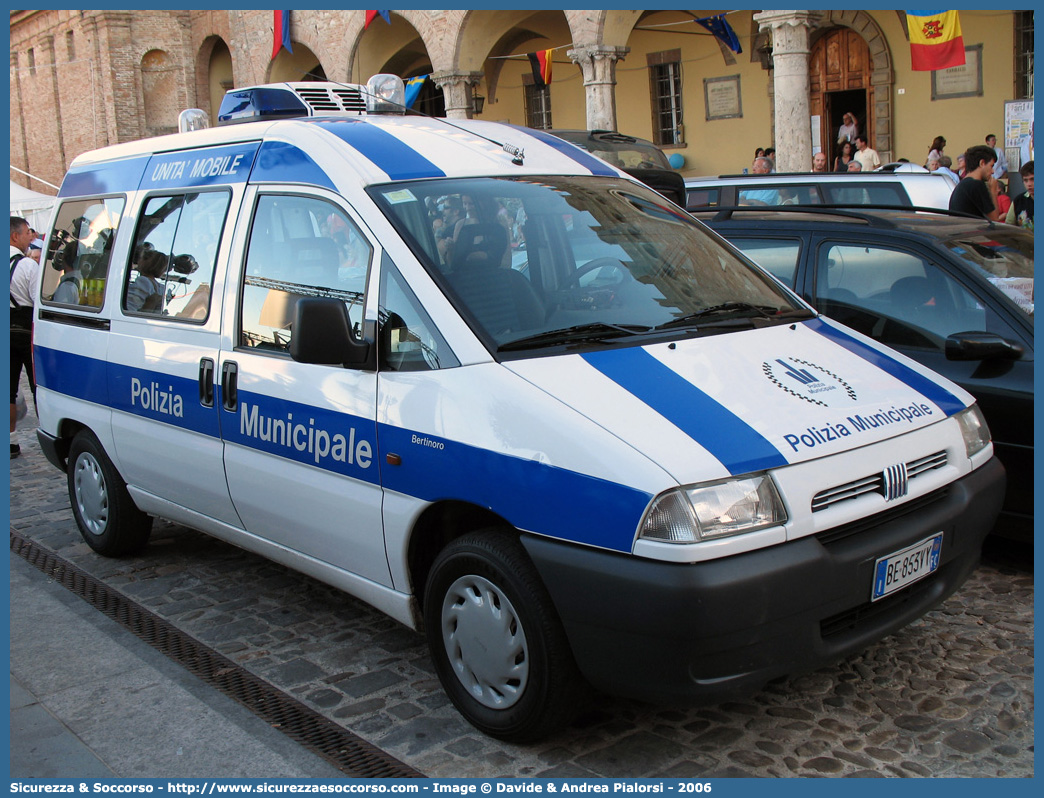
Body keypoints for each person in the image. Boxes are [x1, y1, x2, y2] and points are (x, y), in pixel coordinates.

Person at [10, 216, 39, 458]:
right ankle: (47, 431)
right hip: (26, 329)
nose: (31, 236)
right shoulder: (28, 266)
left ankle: (10, 441)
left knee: (7, 388)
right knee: (37, 383)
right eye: (27, 232)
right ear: (14, 236)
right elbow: (36, 301)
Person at [948, 145, 1004, 221]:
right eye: (991, 166)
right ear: (982, 163)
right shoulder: (977, 184)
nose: (993, 171)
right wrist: (993, 192)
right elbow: (994, 219)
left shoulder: (963, 184)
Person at [126, 246, 168, 312]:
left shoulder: (143, 282)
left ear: (145, 262)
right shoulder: (161, 288)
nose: (138, 261)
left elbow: (129, 307)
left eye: (140, 259)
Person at [1005, 160, 1033, 229]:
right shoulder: (1018, 200)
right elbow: (1009, 226)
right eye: (1025, 180)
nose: (1029, 184)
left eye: (1033, 179)